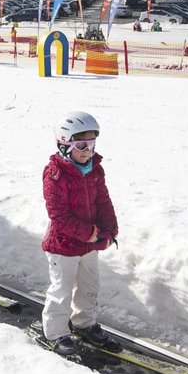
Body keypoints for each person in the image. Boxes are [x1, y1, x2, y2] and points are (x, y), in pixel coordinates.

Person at [40, 111, 120, 356]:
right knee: (61, 291)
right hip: (63, 245)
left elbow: (103, 200)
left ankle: (84, 324)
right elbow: (59, 216)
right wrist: (91, 234)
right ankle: (55, 333)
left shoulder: (95, 169)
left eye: (92, 144)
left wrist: (110, 228)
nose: (88, 150)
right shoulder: (55, 174)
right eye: (81, 145)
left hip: (88, 245)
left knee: (89, 286)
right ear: (64, 144)